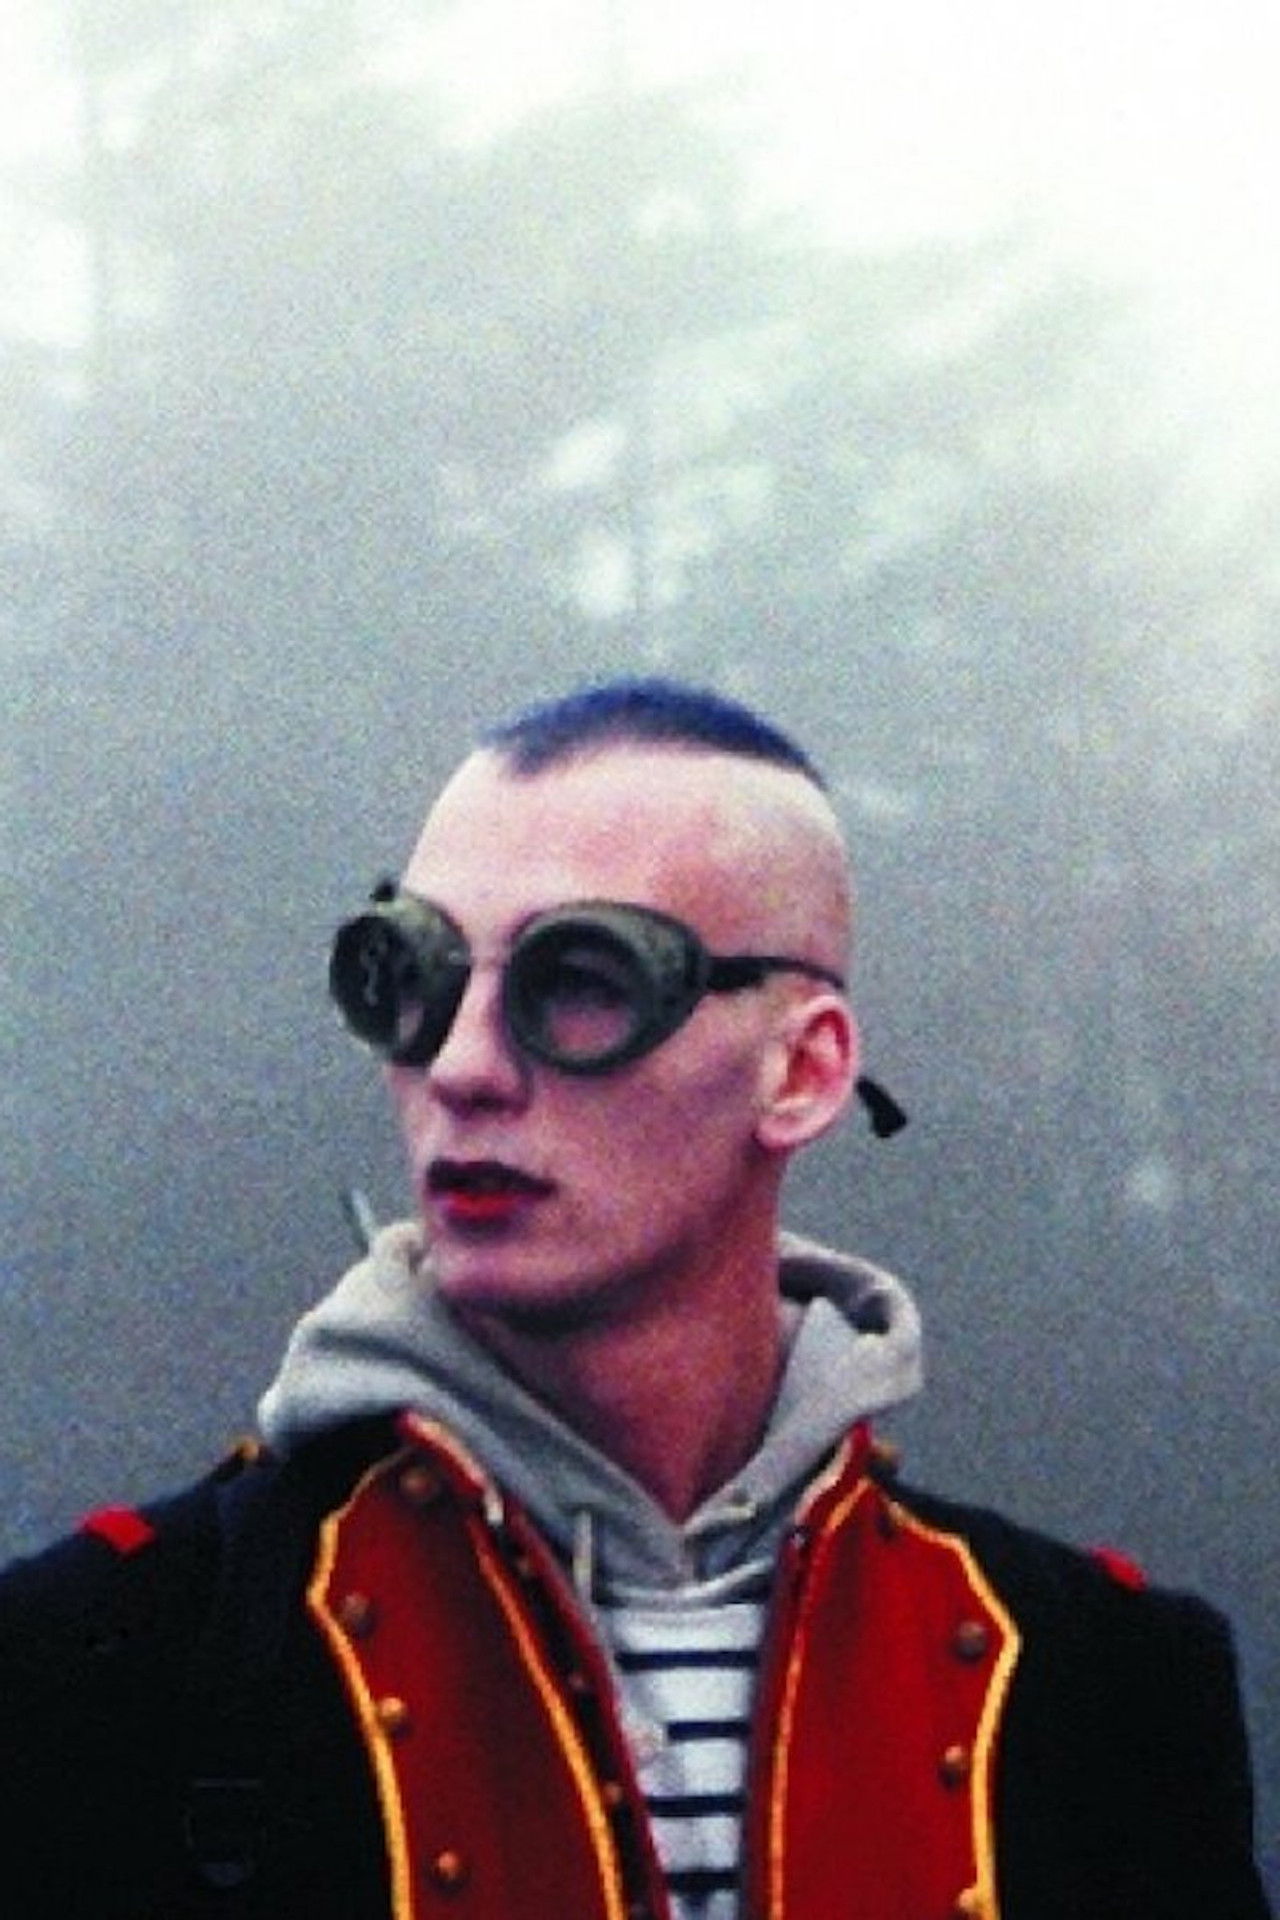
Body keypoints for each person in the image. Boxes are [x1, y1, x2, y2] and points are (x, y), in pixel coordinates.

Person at [0, 677, 1269, 1919]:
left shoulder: (1104, 1691)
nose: (462, 1065)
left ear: (801, 1071)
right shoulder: (100, 1670)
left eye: (581, 979)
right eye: (413, 972)